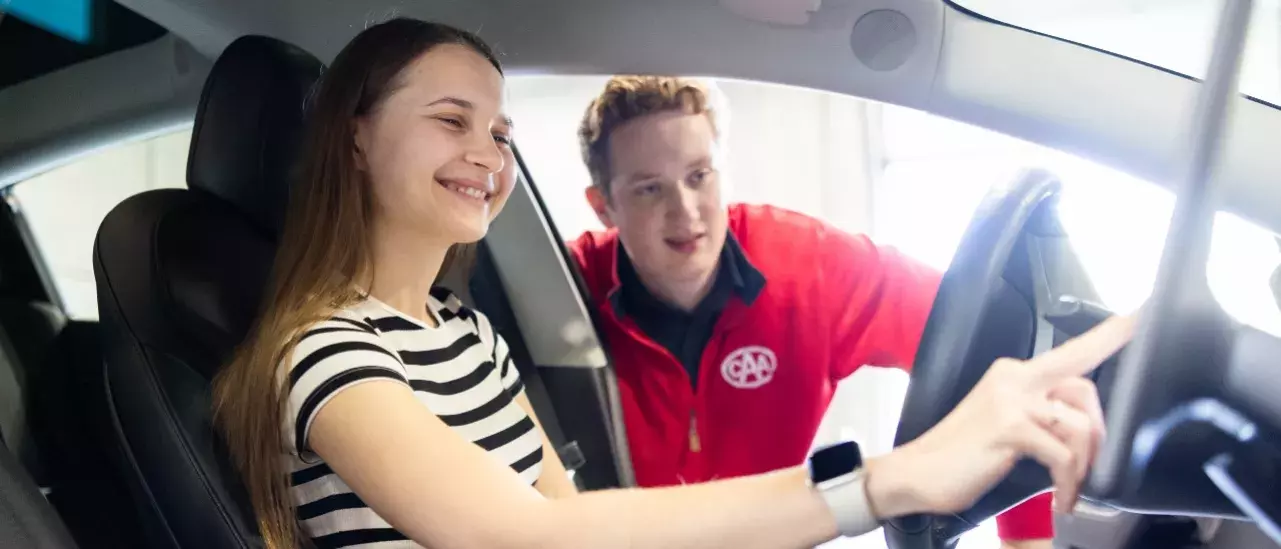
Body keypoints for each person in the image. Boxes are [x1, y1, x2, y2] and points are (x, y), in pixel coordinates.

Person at [212, 18, 1131, 549]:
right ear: (355, 137)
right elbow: (531, 540)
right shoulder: (323, 351)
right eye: (451, 120)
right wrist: (883, 483)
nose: (486, 155)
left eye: (497, 132)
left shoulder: (463, 331)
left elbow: (563, 516)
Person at [567, 76, 1053, 546]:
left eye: (699, 176)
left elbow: (995, 346)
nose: (686, 211)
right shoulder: (558, 291)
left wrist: (1026, 538)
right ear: (604, 206)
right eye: (649, 188)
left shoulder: (810, 269)